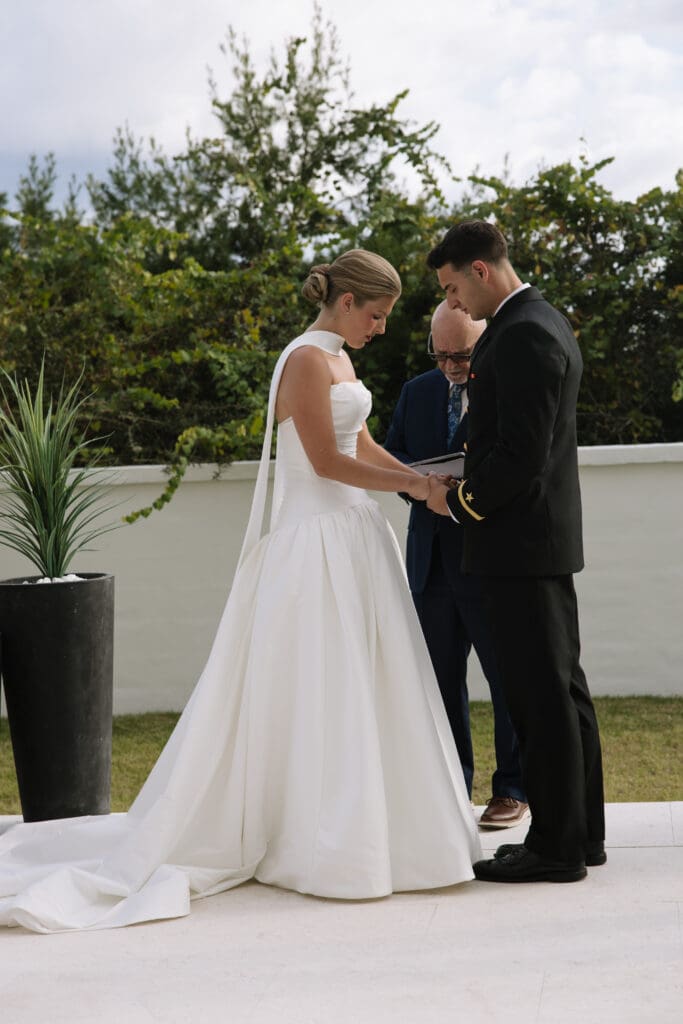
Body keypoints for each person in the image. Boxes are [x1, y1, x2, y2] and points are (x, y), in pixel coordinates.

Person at [0, 250, 480, 932]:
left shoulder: (341, 358)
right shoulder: (306, 361)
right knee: (321, 685)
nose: (379, 328)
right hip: (315, 540)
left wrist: (416, 476)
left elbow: (362, 440)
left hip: (353, 535)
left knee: (365, 683)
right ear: (345, 303)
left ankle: (381, 833)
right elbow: (323, 460)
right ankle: (319, 841)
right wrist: (412, 487)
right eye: (375, 315)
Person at [425, 221, 605, 884]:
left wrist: (459, 501)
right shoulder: (535, 320)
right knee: (561, 693)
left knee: (540, 698)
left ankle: (554, 849)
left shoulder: (523, 331)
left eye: (451, 288)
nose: (452, 305)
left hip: (518, 544)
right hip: (535, 541)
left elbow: (521, 454)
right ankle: (579, 838)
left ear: (478, 268)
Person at [385, 300, 527, 827]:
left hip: (488, 561)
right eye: (440, 354)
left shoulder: (505, 386)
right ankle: (451, 790)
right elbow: (394, 458)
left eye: (460, 354)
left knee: (505, 678)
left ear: (483, 341)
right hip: (430, 565)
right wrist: (423, 490)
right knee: (440, 684)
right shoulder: (415, 392)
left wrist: (465, 492)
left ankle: (512, 789)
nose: (449, 366)